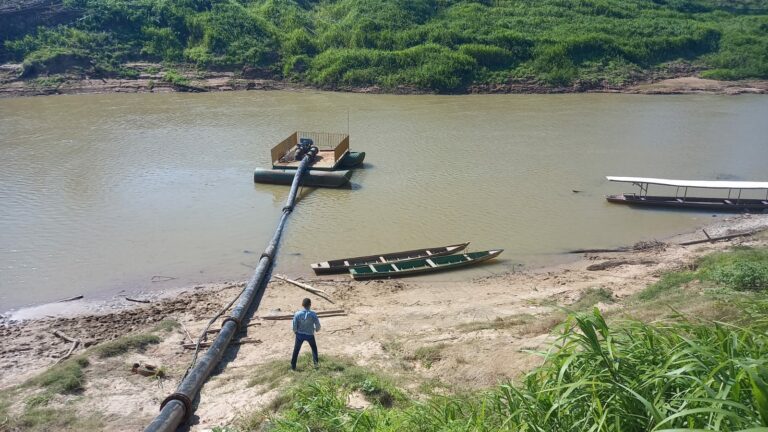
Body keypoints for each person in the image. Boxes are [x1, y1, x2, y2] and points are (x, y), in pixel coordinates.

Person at [290, 298, 321, 370]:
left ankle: (293, 367)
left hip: (299, 335)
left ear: (302, 304)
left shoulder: (297, 314)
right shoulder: (313, 314)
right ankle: (316, 366)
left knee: (296, 350)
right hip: (310, 335)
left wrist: (295, 331)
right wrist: (317, 330)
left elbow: (294, 325)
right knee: (314, 349)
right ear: (310, 305)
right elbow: (318, 325)